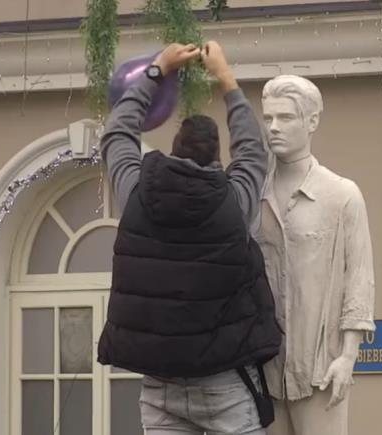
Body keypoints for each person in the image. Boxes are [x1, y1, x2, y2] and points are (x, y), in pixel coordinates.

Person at [97, 42, 282, 435]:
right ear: (217, 159)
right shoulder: (233, 203)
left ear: (173, 151)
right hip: (224, 382)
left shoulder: (136, 194)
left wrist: (157, 69)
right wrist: (225, 76)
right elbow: (253, 151)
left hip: (159, 385)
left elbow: (117, 134)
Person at [255, 75, 376, 435]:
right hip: (262, 370)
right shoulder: (252, 194)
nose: (274, 127)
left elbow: (359, 278)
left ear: (312, 122)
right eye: (268, 118)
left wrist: (348, 357)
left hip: (320, 370)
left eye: (286, 117)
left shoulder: (341, 195)